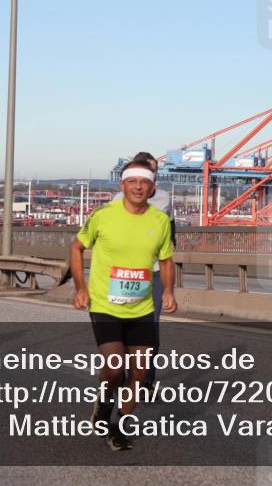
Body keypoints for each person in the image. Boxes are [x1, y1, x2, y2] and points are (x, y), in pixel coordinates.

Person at [69, 159, 176, 451]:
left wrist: (168, 290)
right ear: (123, 185)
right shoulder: (103, 215)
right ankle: (103, 407)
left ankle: (117, 425)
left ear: (153, 187)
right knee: (115, 369)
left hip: (141, 308)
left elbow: (166, 259)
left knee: (139, 375)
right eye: (133, 181)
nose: (139, 187)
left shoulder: (160, 221)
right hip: (105, 303)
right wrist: (80, 288)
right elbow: (77, 248)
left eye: (145, 182)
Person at [117, 152, 176, 390]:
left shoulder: (163, 198)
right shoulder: (116, 200)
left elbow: (164, 225)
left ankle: (145, 378)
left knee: (150, 327)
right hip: (125, 273)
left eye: (153, 174)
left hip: (153, 272)